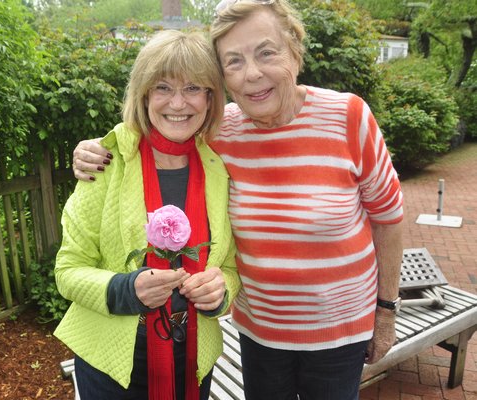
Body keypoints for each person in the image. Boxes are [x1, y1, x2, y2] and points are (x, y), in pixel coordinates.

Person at [71, 1, 404, 399]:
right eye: (234, 61)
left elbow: (388, 217)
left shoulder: (348, 116)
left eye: (266, 52)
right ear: (223, 78)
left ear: (294, 51)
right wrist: (95, 148)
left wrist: (386, 312)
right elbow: (155, 126)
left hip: (340, 333)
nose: (252, 74)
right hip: (261, 333)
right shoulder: (220, 133)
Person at [53, 29, 241, 400]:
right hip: (113, 367)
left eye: (192, 88)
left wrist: (220, 292)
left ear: (209, 98)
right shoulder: (106, 163)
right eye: (163, 87)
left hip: (193, 360)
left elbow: (231, 268)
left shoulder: (218, 170)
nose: (178, 103)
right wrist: (126, 289)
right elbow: (68, 270)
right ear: (143, 94)